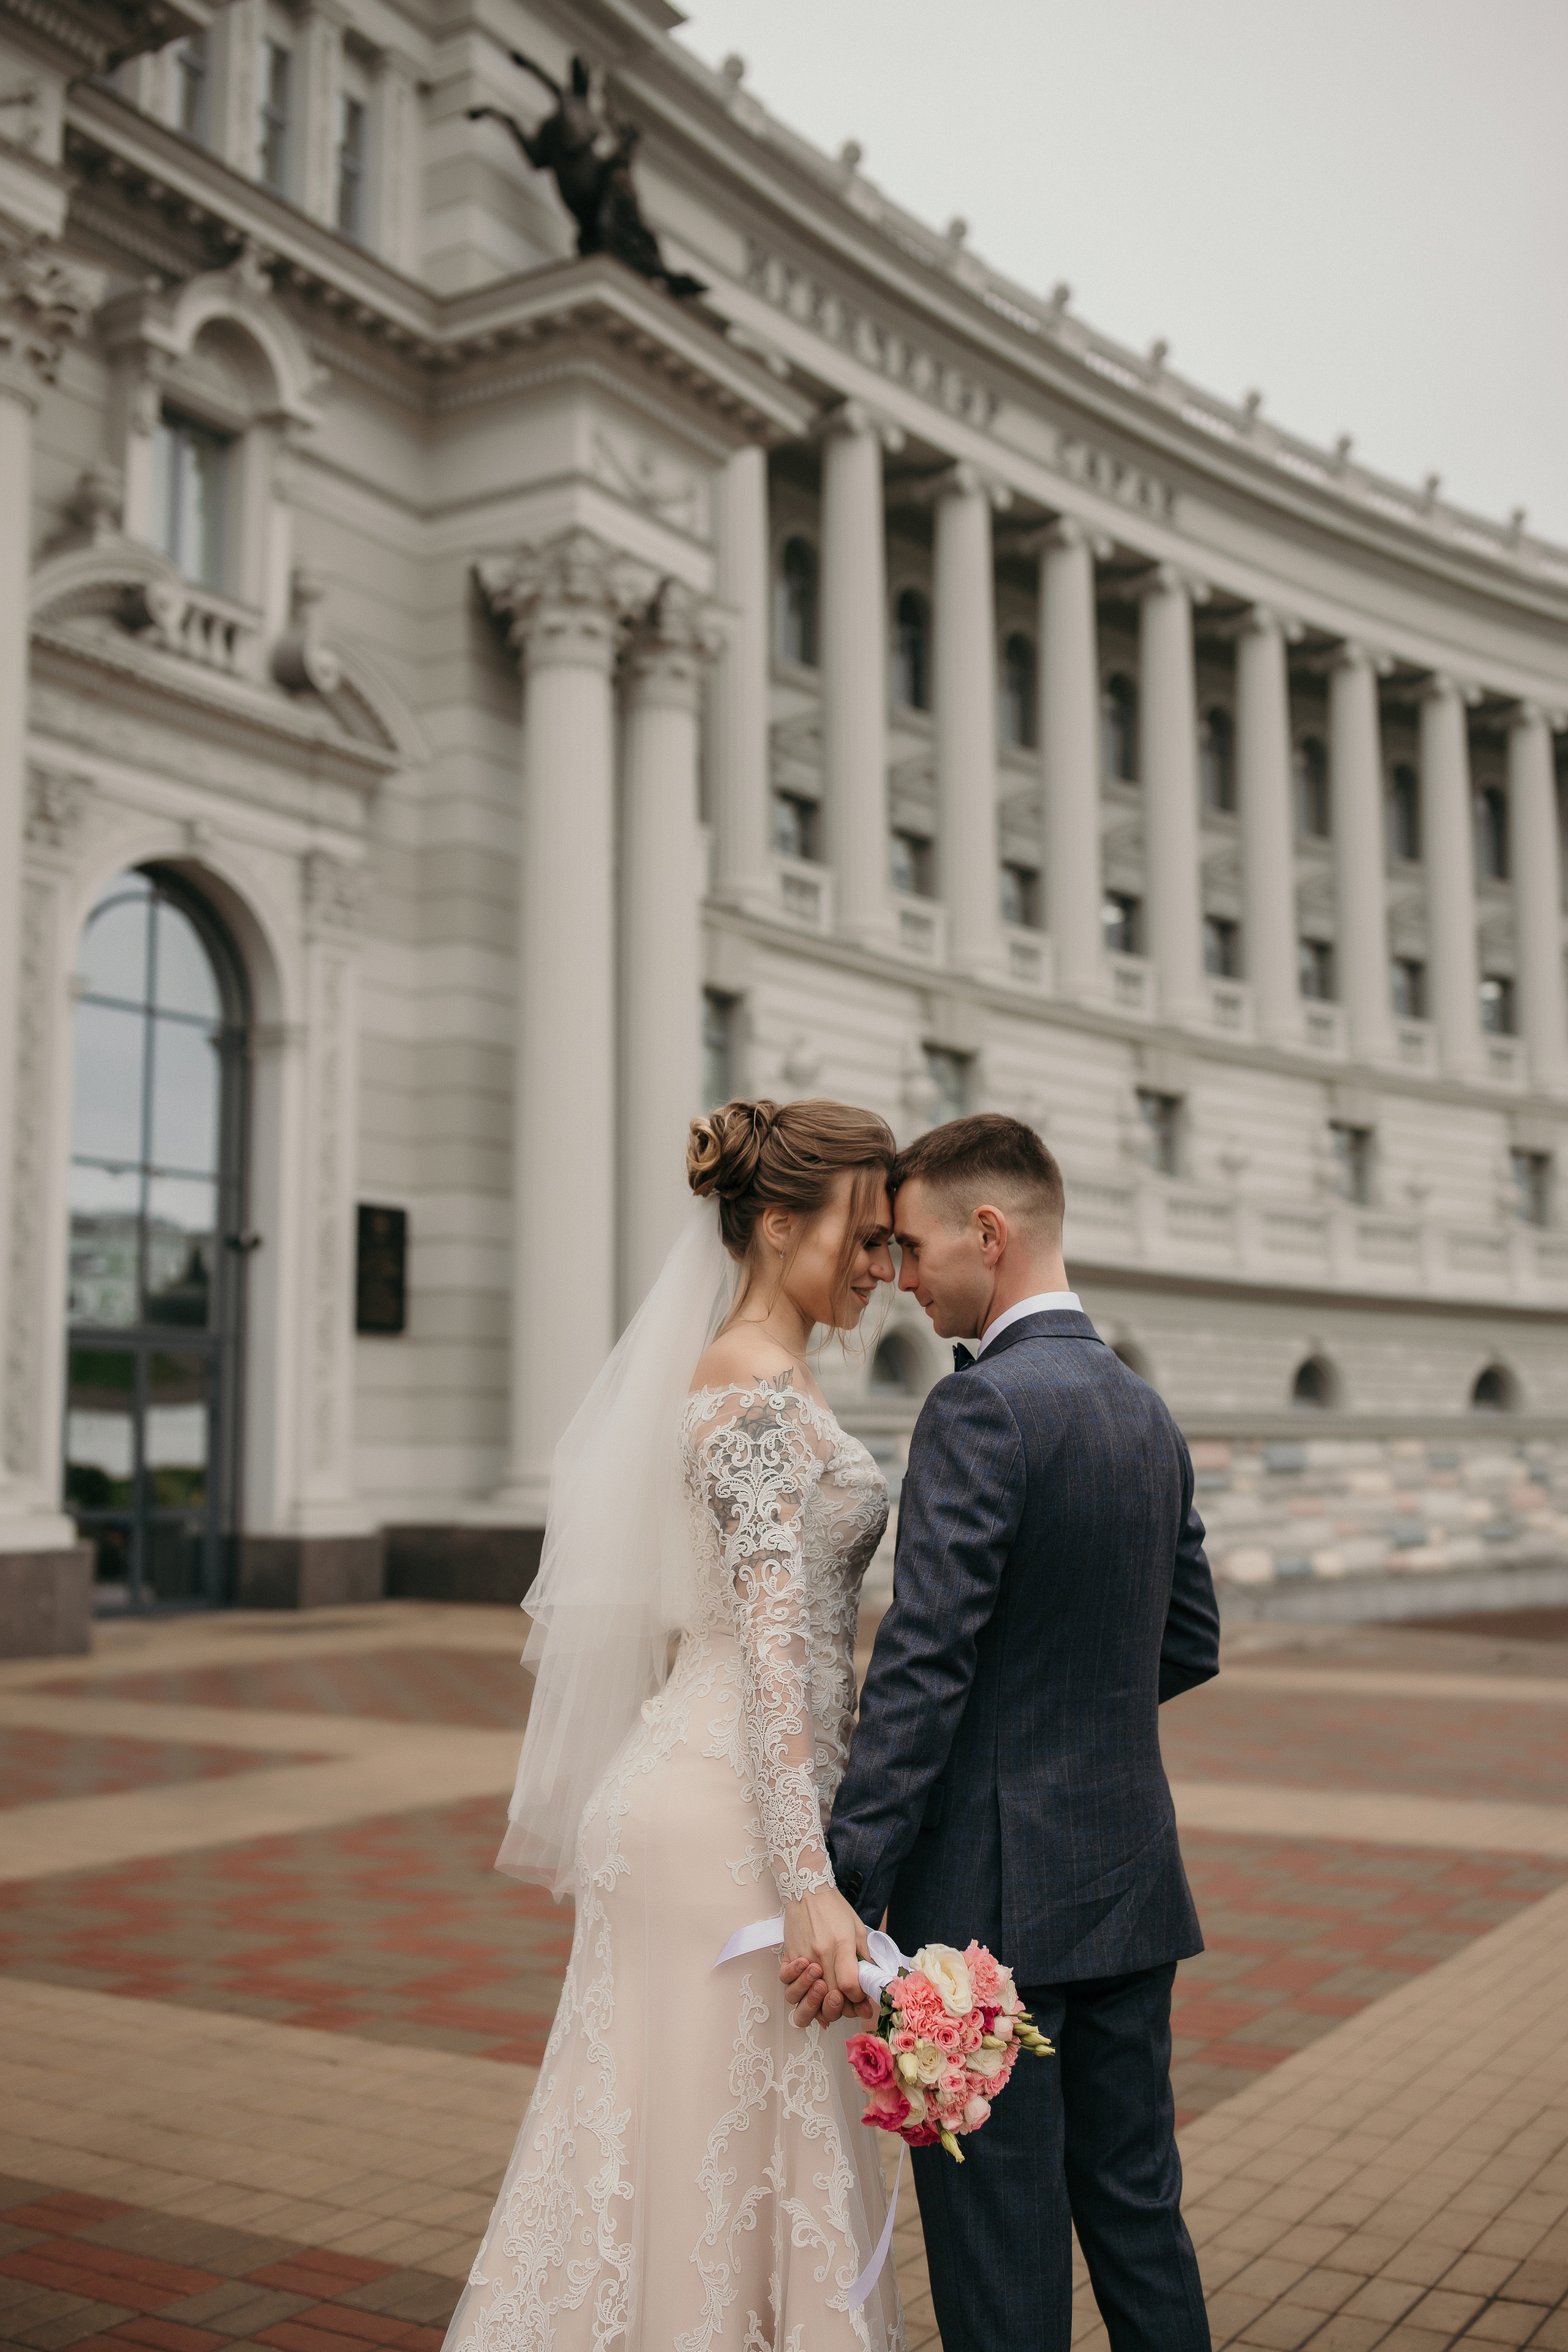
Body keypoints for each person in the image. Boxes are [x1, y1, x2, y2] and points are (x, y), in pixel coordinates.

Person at [443, 1098, 903, 2351]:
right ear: (771, 1223)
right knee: (706, 2163)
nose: (882, 1271)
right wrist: (812, 1882)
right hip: (724, 1823)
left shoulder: (762, 1374)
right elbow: (767, 1651)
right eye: (861, 1240)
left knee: (692, 2163)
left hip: (726, 1794)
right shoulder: (753, 1393)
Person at [783, 1112, 1219, 2352]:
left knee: (999, 2253)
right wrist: (1075, 1729)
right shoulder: (1143, 1409)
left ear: (989, 1231)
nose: (902, 1281)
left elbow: (923, 1664)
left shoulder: (981, 1412)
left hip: (985, 1914)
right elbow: (1187, 1641)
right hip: (1130, 1885)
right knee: (1137, 2212)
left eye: (914, 1250)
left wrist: (846, 1884)